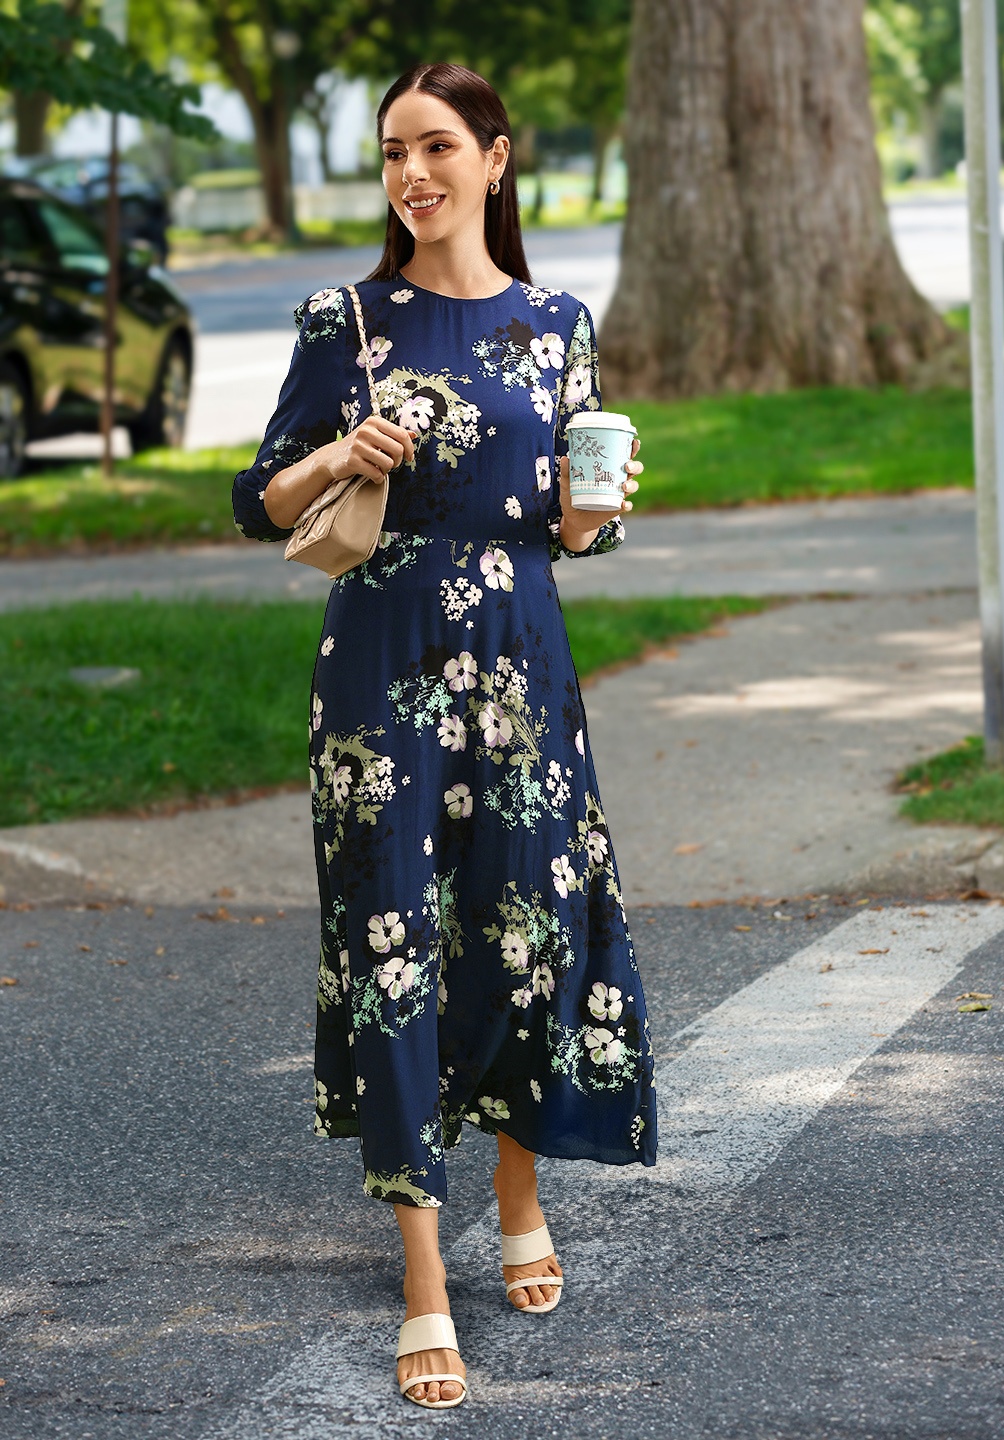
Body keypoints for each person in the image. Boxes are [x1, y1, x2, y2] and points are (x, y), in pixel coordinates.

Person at [232, 61, 657, 1410]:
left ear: (495, 158)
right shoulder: (345, 319)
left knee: (525, 929)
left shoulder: (557, 324)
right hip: (381, 678)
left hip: (524, 669)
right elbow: (256, 497)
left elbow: (567, 528)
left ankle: (520, 1198)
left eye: (436, 147)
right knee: (397, 942)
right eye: (394, 153)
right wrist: (339, 456)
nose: (413, 174)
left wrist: (603, 509)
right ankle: (426, 1278)